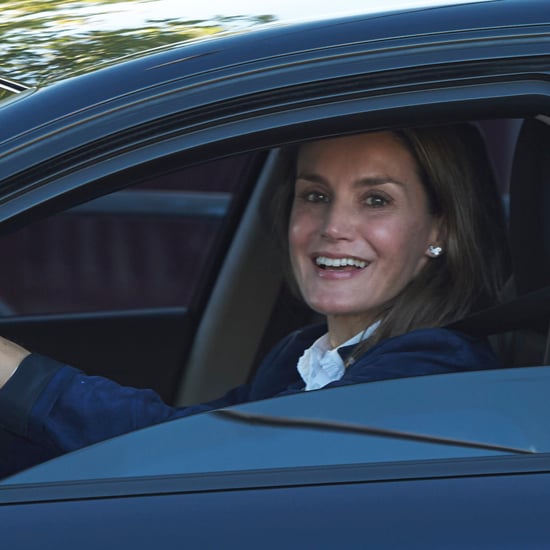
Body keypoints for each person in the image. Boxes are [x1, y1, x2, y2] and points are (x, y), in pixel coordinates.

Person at [0, 123, 509, 477]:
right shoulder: (304, 356)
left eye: (376, 200)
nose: (333, 227)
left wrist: (18, 376)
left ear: (438, 230)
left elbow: (197, 455)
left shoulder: (430, 372)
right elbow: (197, 438)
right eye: (314, 195)